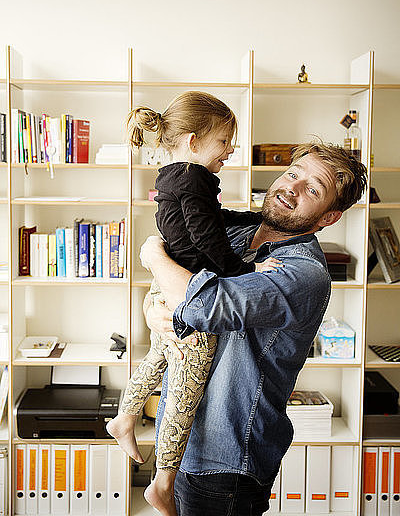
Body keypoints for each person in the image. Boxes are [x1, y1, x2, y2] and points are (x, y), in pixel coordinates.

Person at [139, 142, 368, 516]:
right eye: (294, 174)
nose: (291, 188)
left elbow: (200, 305)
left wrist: (151, 254)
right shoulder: (233, 234)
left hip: (225, 462)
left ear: (329, 217)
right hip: (179, 439)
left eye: (313, 189)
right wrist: (152, 311)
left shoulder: (302, 272)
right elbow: (168, 292)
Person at [106, 91, 280, 516]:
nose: (231, 149)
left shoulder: (174, 175)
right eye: (225, 141)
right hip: (191, 295)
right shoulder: (195, 179)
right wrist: (246, 271)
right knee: (185, 389)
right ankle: (162, 481)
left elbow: (211, 220)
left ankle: (124, 417)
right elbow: (207, 237)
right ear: (193, 139)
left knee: (157, 358)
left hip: (167, 284)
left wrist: (253, 220)